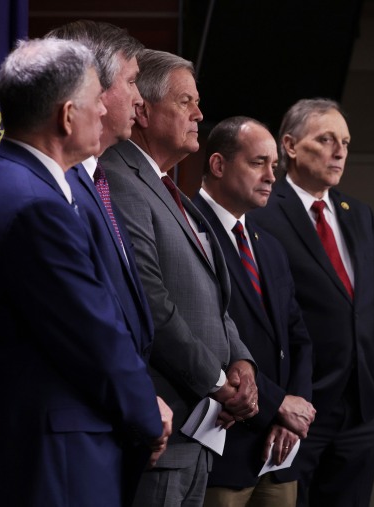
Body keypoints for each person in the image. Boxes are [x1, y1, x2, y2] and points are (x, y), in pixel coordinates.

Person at [0, 37, 166, 507]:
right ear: (68, 116)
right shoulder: (37, 207)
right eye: (97, 101)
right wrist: (147, 416)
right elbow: (93, 334)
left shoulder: (14, 182)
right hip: (59, 453)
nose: (104, 111)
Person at [99, 49, 259, 506]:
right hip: (166, 424)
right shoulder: (119, 178)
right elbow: (149, 296)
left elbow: (212, 294)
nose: (199, 114)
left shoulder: (171, 188)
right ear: (144, 111)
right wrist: (217, 382)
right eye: (186, 101)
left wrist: (241, 362)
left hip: (202, 429)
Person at [45, 21, 174, 497]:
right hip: (81, 431)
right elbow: (87, 319)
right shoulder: (58, 189)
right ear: (92, 87)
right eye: (133, 81)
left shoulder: (96, 181)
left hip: (114, 425)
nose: (143, 99)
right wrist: (141, 405)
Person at [251, 98, 374, 507]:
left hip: (361, 408)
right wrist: (279, 402)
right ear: (290, 146)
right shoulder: (262, 213)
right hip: (298, 408)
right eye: (326, 139)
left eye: (345, 141)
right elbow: (259, 321)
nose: (340, 150)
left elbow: (373, 310)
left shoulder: (358, 213)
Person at [191, 116, 316, 507]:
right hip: (223, 446)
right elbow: (203, 335)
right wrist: (278, 406)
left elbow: (298, 337)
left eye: (274, 166)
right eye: (258, 163)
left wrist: (294, 414)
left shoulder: (269, 246)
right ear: (218, 165)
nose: (271, 176)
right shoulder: (188, 230)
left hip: (279, 453)